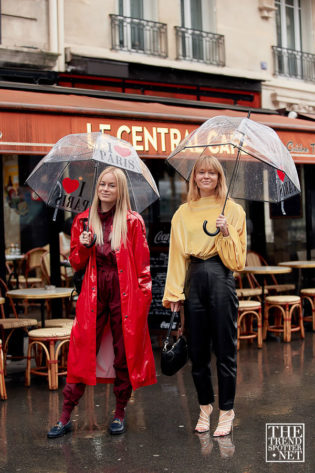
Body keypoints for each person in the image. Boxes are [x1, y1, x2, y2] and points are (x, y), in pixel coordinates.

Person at [47, 166, 157, 438]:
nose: (105, 189)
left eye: (111, 185)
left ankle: (119, 412)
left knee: (124, 353)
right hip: (93, 293)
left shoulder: (132, 222)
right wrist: (83, 247)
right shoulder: (83, 221)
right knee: (82, 350)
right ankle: (64, 416)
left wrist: (143, 304)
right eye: (102, 184)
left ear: (120, 190)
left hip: (126, 294)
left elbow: (143, 268)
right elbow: (74, 263)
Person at [162, 155, 246, 437]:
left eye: (212, 172)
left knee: (225, 349)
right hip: (193, 279)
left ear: (220, 177)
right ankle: (205, 406)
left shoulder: (234, 211)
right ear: (194, 177)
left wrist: (227, 232)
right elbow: (177, 257)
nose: (206, 177)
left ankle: (227, 410)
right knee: (197, 351)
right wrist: (174, 293)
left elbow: (238, 261)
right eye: (201, 172)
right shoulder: (183, 213)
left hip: (222, 278)